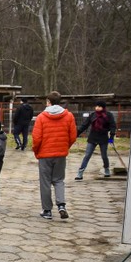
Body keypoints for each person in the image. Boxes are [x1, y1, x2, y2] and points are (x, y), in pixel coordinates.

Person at [32, 91, 77, 219]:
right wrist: (64, 147)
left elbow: (36, 138)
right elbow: (73, 136)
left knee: (45, 182)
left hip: (45, 154)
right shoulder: (69, 116)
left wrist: (36, 150)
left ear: (48, 102)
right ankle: (61, 205)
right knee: (58, 180)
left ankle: (47, 210)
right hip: (61, 154)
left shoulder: (41, 117)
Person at [75, 100, 116, 180]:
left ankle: (106, 169)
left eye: (99, 106)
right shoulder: (93, 115)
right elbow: (85, 125)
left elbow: (112, 126)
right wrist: (77, 133)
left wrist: (111, 137)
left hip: (103, 138)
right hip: (93, 137)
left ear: (103, 107)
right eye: (96, 106)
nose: (97, 108)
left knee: (104, 156)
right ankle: (80, 173)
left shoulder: (108, 115)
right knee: (87, 155)